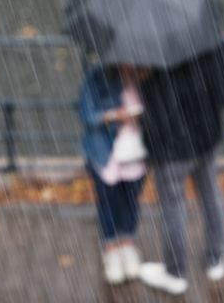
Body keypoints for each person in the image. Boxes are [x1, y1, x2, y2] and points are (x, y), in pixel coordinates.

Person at [138, 43, 224, 295]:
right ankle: (216, 257)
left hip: (173, 148)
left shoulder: (154, 50)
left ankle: (175, 272)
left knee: (173, 206)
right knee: (210, 192)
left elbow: (154, 108)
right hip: (207, 135)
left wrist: (152, 139)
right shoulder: (212, 41)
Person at [77, 64, 149, 284]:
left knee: (131, 200)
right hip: (105, 151)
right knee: (107, 202)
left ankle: (127, 244)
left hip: (138, 152)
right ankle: (110, 248)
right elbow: (87, 114)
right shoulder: (97, 77)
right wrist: (115, 116)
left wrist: (143, 117)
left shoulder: (149, 78)